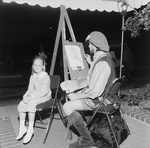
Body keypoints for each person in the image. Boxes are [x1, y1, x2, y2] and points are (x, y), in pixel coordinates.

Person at [63, 31, 117, 148]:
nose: (88, 46)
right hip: (106, 98)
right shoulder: (105, 58)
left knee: (67, 106)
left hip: (100, 101)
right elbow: (96, 78)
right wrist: (91, 63)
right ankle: (90, 129)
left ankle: (87, 139)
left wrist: (75, 96)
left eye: (90, 44)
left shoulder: (102, 64)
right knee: (76, 96)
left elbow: (94, 92)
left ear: (95, 45)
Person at [16, 52, 51, 144]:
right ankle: (22, 127)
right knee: (22, 103)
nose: (37, 67)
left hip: (45, 95)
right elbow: (30, 89)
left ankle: (30, 129)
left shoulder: (45, 77)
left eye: (39, 65)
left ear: (43, 66)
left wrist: (31, 97)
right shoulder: (33, 76)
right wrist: (25, 96)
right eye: (35, 65)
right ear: (32, 66)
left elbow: (44, 91)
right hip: (35, 94)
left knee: (31, 103)